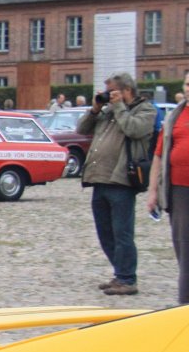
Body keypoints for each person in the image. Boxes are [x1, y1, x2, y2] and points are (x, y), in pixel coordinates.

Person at [79, 72, 158, 296]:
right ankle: (120, 273)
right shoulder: (108, 111)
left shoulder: (145, 110)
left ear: (126, 91)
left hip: (122, 179)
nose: (108, 95)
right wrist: (95, 109)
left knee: (122, 233)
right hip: (99, 178)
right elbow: (82, 129)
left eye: (112, 91)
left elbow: (134, 129)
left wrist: (119, 107)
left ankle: (127, 279)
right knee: (105, 233)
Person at [146, 74, 189, 304]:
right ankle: (185, 302)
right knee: (184, 246)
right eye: (188, 84)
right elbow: (158, 155)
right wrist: (153, 191)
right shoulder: (175, 117)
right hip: (180, 190)